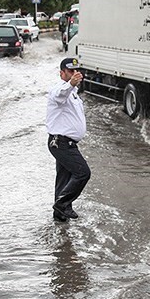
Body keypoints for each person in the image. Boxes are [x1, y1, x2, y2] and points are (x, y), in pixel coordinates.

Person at [46, 57, 91, 222]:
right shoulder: (59, 90)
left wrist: (72, 86)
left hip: (67, 143)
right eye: (71, 71)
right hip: (60, 143)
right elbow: (60, 95)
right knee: (83, 173)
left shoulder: (74, 94)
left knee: (64, 179)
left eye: (77, 70)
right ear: (62, 74)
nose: (75, 74)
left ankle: (59, 216)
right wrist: (70, 83)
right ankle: (62, 204)